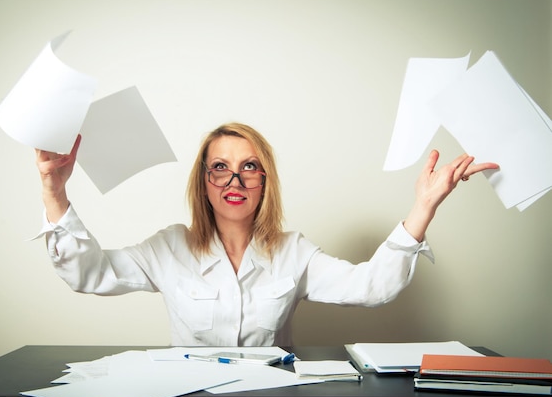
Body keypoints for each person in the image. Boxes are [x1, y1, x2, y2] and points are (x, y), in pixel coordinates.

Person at [34, 122, 499, 346]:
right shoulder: (167, 247)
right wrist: (54, 189)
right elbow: (88, 273)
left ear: (266, 181)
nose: (234, 182)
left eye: (249, 167)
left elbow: (372, 286)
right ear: (203, 181)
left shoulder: (294, 252)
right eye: (220, 168)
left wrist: (423, 205)